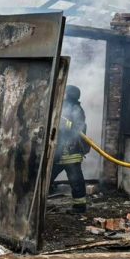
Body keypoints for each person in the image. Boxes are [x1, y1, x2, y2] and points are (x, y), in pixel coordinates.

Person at [51, 85, 88, 213]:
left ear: (69, 95)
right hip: (59, 153)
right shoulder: (62, 107)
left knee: (76, 181)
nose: (62, 95)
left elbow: (79, 128)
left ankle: (80, 207)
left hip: (71, 152)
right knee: (47, 178)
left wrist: (64, 124)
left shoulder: (77, 109)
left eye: (65, 93)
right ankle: (38, 204)